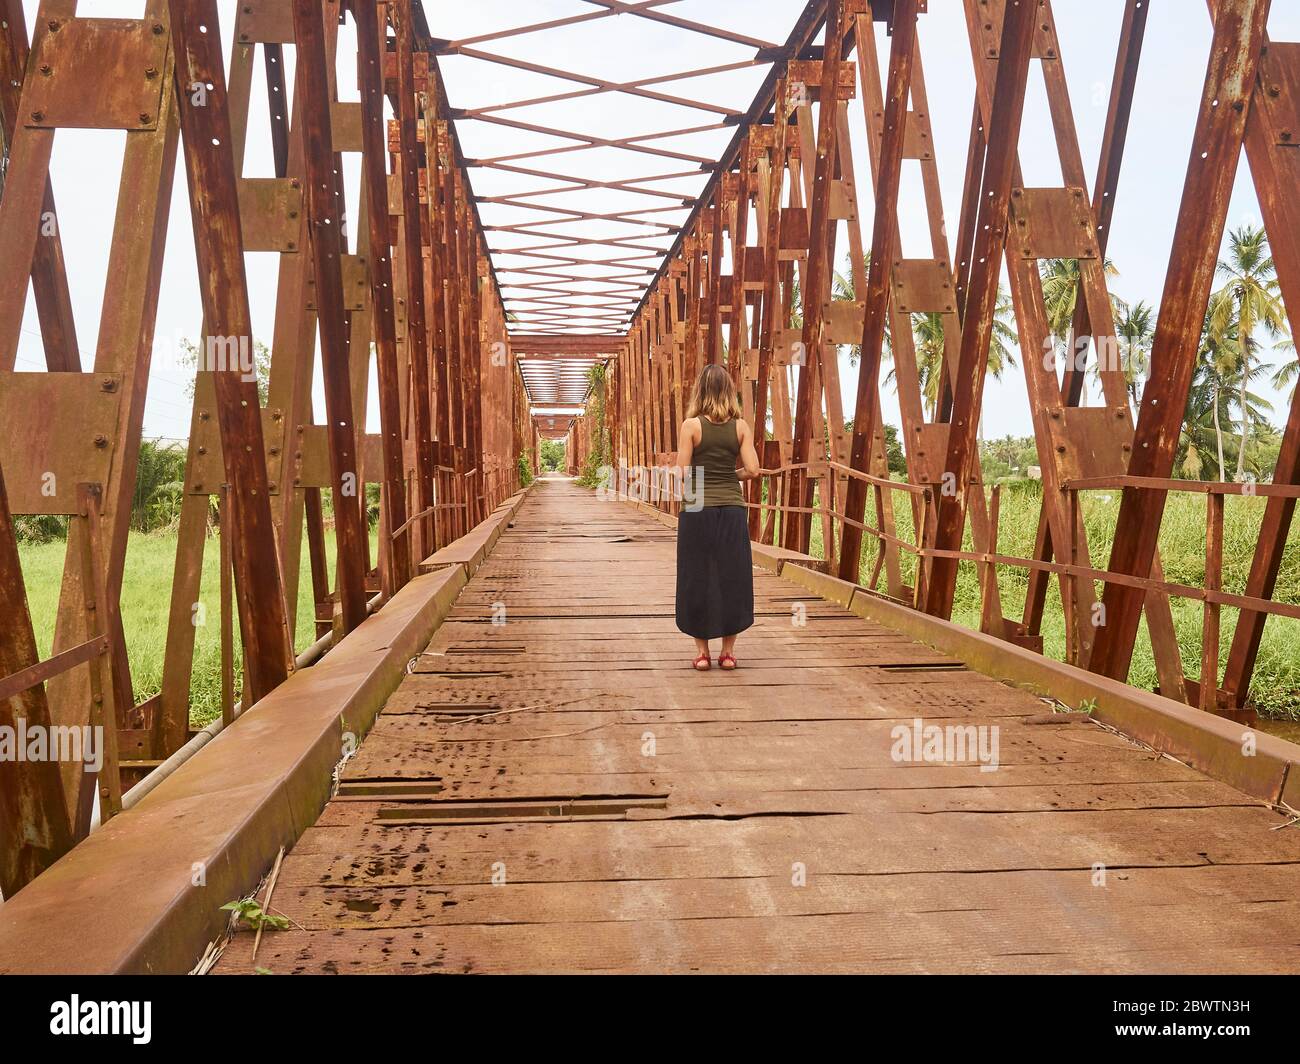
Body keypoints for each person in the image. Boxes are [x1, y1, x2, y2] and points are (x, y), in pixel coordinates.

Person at [673, 363, 761, 671]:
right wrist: (729, 474)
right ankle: (728, 653)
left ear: (700, 390)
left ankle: (702, 654)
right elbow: (753, 470)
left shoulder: (691, 425)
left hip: (697, 507)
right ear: (728, 391)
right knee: (732, 576)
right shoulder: (741, 426)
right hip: (732, 507)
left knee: (696, 575)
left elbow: (683, 472)